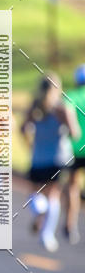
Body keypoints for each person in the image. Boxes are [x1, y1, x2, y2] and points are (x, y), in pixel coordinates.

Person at [21, 74, 79, 253]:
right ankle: (47, 235)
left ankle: (39, 209)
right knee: (53, 195)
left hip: (38, 157)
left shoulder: (35, 107)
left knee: (37, 193)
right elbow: (75, 133)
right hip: (59, 157)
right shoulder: (62, 108)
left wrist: (30, 142)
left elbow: (23, 128)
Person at [63, 64, 85, 244]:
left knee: (72, 186)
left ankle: (71, 226)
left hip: (74, 148)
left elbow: (67, 115)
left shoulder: (71, 95)